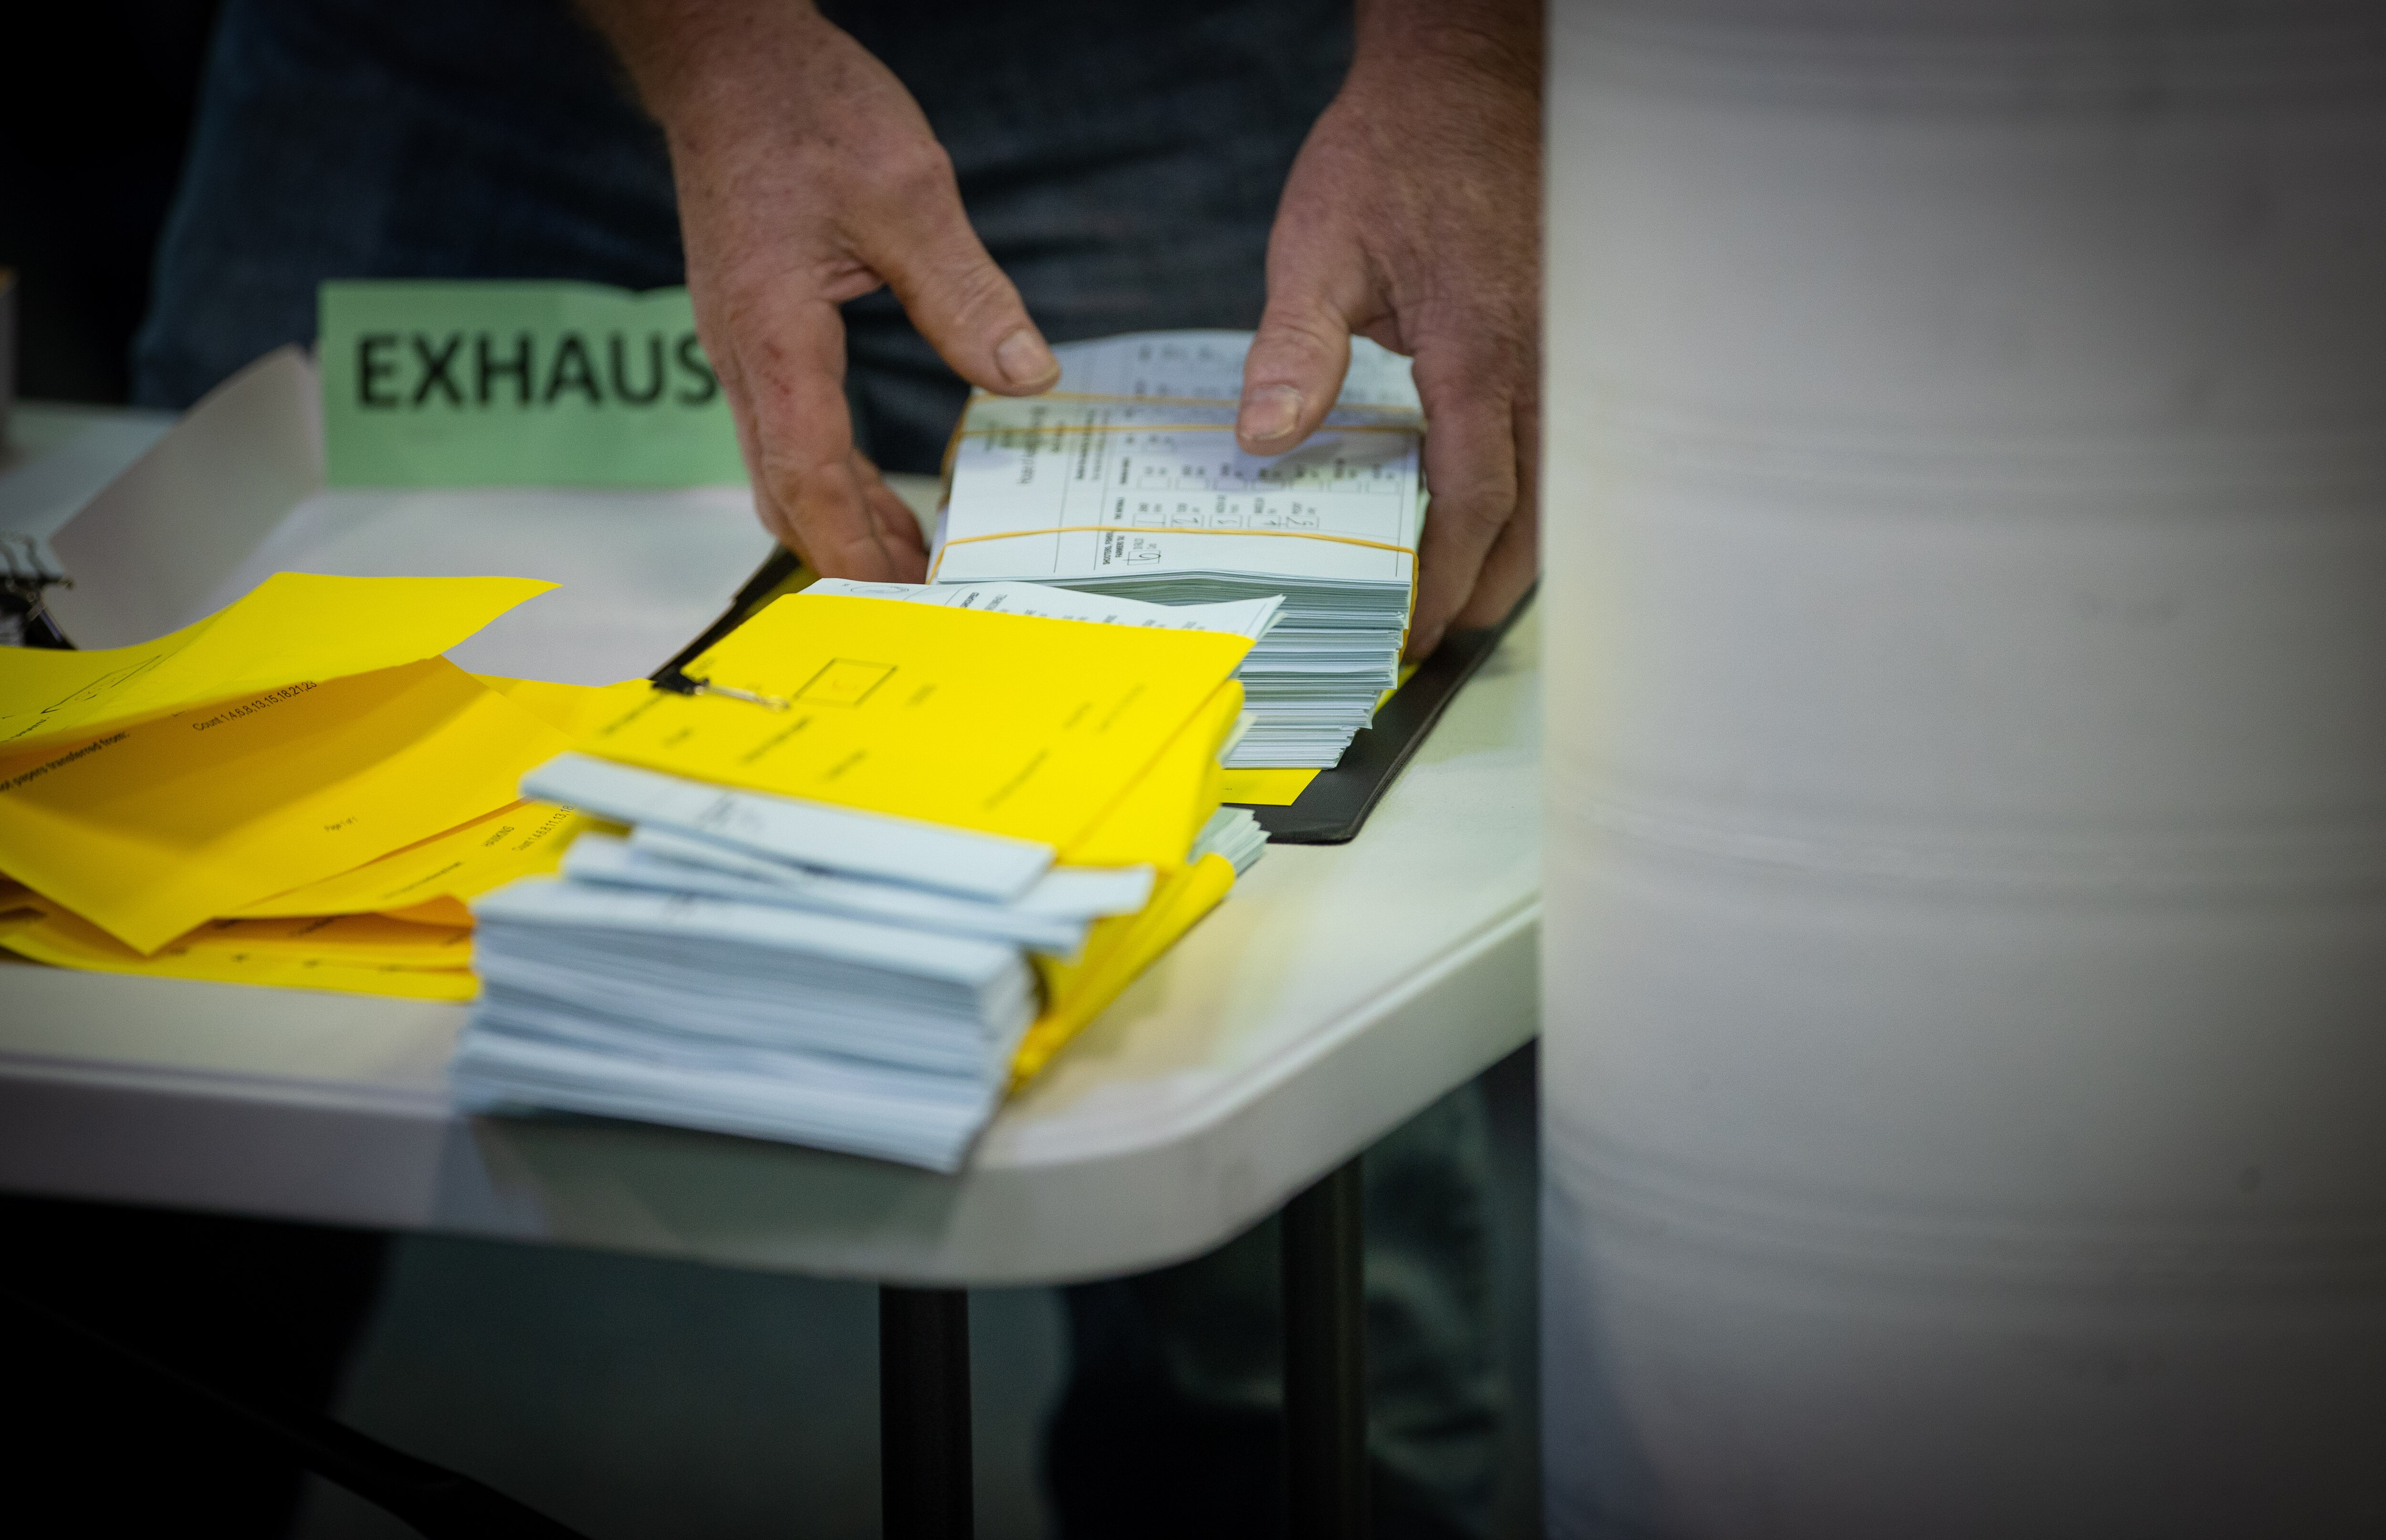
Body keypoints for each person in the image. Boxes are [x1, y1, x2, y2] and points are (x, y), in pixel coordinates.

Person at [136, 1, 1539, 1532]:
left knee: (1274, 1138)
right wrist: (711, 44)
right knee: (167, 1007)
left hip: (1170, 69)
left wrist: (1474, 64)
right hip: (463, 64)